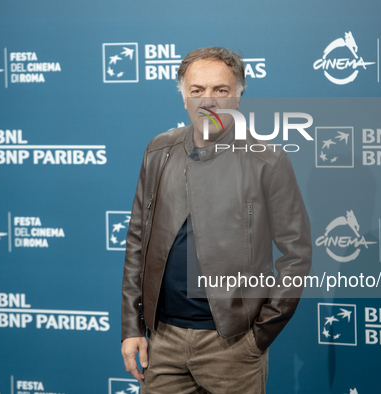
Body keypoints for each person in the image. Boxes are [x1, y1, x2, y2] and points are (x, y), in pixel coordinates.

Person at [121, 46, 312, 394]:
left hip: (232, 348)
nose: (207, 100)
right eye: (197, 91)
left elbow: (297, 256)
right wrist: (132, 327)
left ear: (238, 97)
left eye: (220, 90)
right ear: (184, 98)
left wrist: (258, 336)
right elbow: (138, 242)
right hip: (162, 342)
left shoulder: (267, 161)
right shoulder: (158, 151)